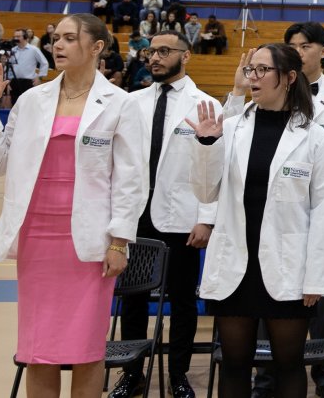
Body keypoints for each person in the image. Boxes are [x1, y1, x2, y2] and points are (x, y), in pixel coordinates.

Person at [0, 13, 144, 398]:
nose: (57, 45)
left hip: (89, 243)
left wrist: (119, 241)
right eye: (56, 38)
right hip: (38, 238)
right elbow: (0, 162)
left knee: (86, 350)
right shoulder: (33, 100)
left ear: (96, 47)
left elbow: (131, 180)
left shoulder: (121, 104)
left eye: (69, 38)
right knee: (38, 350)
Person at [189, 44, 324, 398]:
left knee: (288, 365)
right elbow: (205, 192)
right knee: (234, 364)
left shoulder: (315, 138)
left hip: (287, 267)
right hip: (235, 266)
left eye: (261, 71)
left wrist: (316, 277)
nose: (251, 78)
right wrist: (207, 145)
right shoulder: (230, 127)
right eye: (249, 70)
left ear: (289, 78)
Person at [226, 22, 324, 398]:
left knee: (316, 313)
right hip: (256, 238)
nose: (300, 50)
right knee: (250, 341)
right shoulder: (240, 122)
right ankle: (264, 382)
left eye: (305, 45)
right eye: (293, 45)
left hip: (309, 223)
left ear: (322, 50)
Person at [110, 31, 221, 398]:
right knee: (133, 298)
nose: (154, 58)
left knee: (183, 300)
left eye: (163, 51)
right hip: (136, 215)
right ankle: (132, 372)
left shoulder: (205, 104)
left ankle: (178, 374)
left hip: (182, 217)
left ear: (185, 56)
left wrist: (206, 217)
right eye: (150, 51)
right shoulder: (131, 102)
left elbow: (214, 168)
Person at [7, 28, 50, 104]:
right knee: (15, 105)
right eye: (15, 37)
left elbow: (44, 63)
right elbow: (10, 66)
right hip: (14, 82)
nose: (16, 38)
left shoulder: (33, 49)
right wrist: (8, 81)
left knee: (28, 105)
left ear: (25, 37)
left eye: (18, 36)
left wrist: (39, 77)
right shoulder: (13, 50)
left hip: (28, 82)